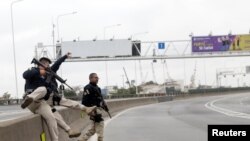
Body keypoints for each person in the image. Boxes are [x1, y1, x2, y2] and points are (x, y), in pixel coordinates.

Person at [22, 54, 96, 141]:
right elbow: (25, 75)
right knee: (43, 89)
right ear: (39, 64)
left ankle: (57, 138)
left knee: (52, 119)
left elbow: (56, 65)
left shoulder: (48, 76)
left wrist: (64, 57)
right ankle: (29, 98)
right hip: (31, 101)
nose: (46, 64)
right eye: (43, 63)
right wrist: (39, 71)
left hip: (41, 102)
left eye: (47, 63)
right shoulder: (33, 70)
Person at [78, 73, 107, 141]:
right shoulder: (88, 87)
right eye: (95, 77)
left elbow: (99, 99)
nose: (97, 79)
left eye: (97, 78)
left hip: (98, 109)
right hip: (93, 110)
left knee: (92, 130)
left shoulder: (98, 88)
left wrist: (103, 104)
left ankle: (81, 140)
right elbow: (84, 101)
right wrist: (90, 112)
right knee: (100, 126)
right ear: (90, 78)